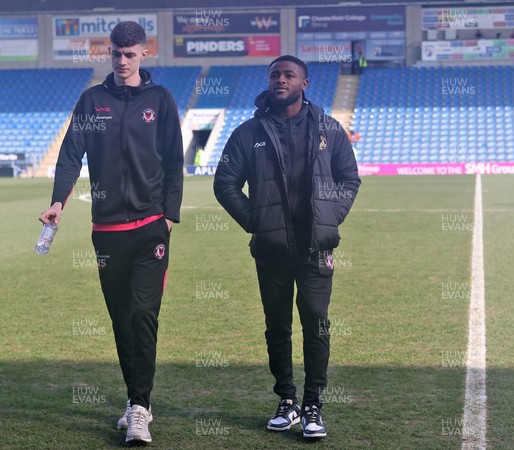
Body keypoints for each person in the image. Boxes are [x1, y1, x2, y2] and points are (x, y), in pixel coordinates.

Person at [38, 21, 183, 444]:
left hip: (150, 229)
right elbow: (70, 155)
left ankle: (139, 408)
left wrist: (168, 215)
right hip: (106, 232)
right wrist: (58, 202)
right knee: (122, 320)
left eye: (130, 54)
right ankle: (137, 400)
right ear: (109, 54)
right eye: (116, 54)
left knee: (142, 315)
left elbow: (175, 161)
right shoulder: (91, 100)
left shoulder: (160, 99)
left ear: (144, 53)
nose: (122, 61)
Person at [214, 55, 360, 439]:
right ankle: (286, 401)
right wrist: (257, 222)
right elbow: (225, 184)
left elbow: (349, 179)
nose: (280, 79)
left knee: (316, 323)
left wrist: (331, 215)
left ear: (304, 83)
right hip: (272, 249)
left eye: (288, 74)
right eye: (275, 74)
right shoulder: (248, 132)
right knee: (277, 327)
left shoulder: (329, 129)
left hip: (316, 246)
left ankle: (313, 405)